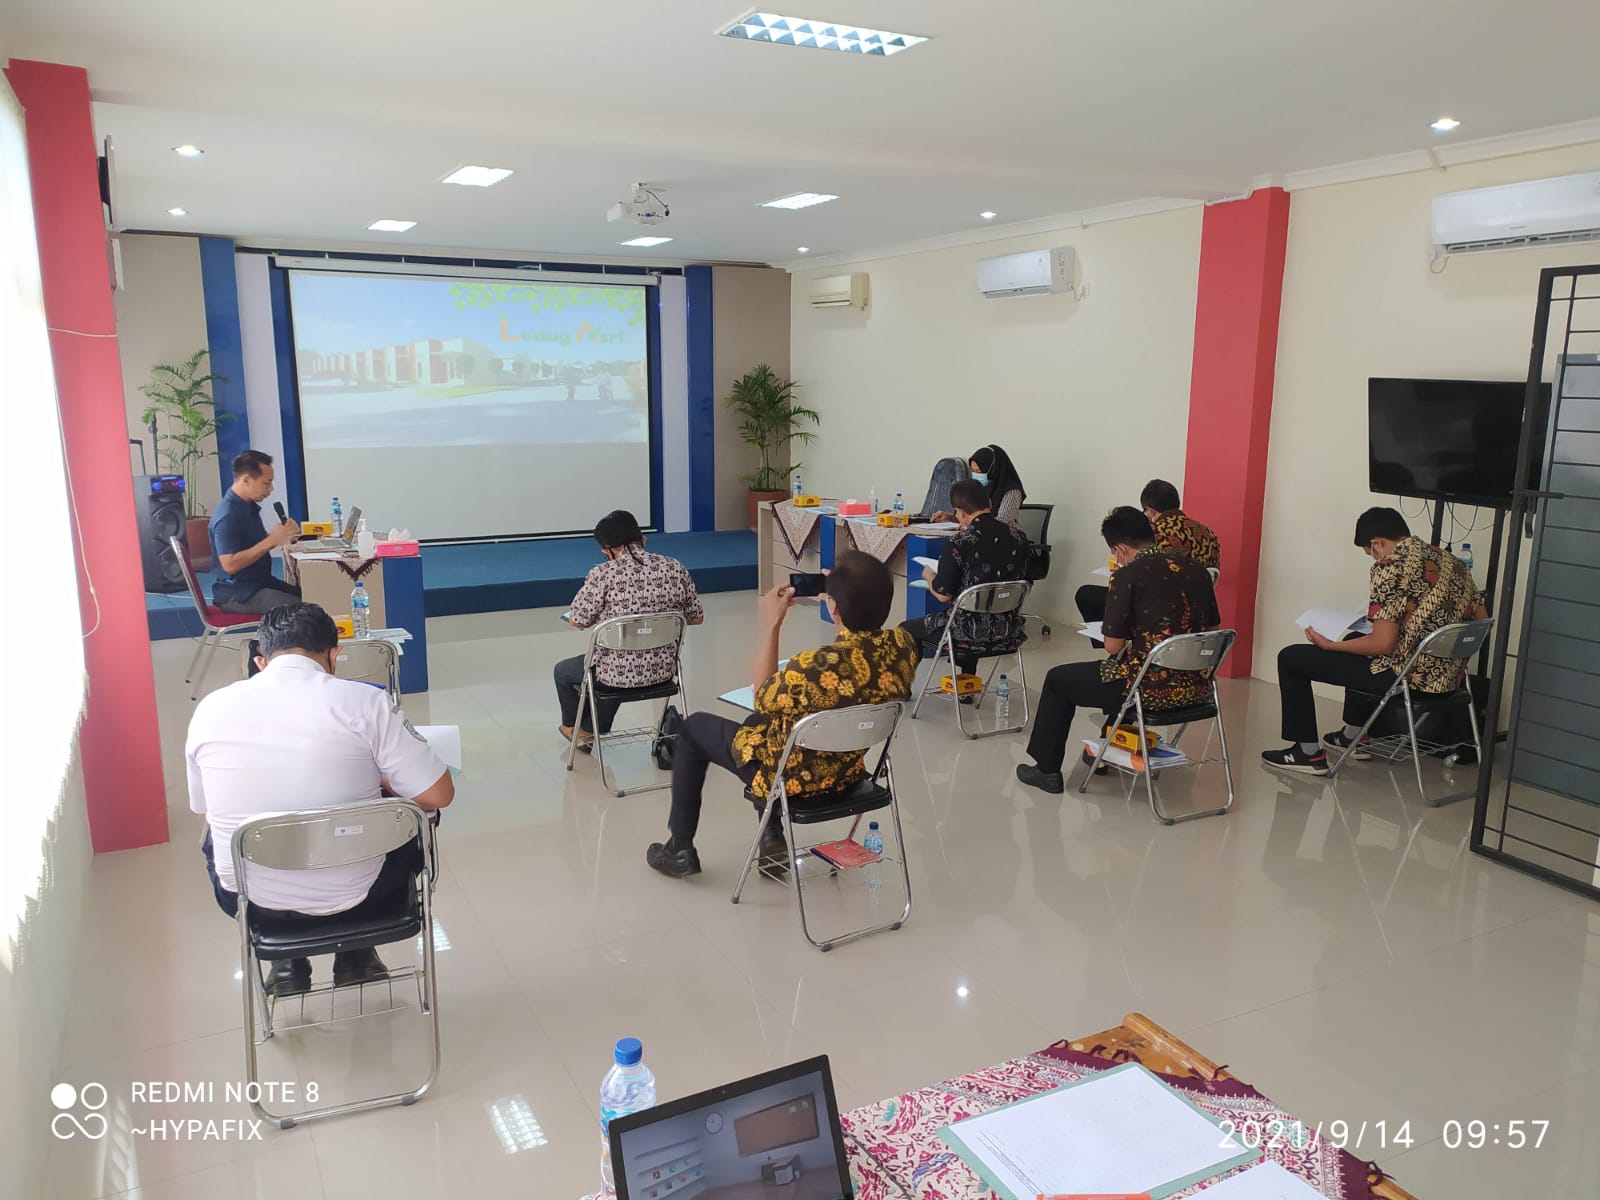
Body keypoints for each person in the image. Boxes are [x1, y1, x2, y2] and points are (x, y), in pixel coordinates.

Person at [187, 603, 454, 996]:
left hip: (252, 904)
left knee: (223, 828)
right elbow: (438, 794)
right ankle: (357, 954)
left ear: (262, 661)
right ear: (334, 654)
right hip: (368, 899)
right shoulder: (364, 703)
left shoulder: (210, 710)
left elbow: (205, 811)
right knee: (403, 815)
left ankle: (286, 962)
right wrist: (380, 776)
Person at [646, 551, 920, 878]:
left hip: (791, 783)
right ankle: (772, 835)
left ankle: (680, 848)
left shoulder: (810, 667)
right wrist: (843, 591)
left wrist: (772, 623)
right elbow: (860, 654)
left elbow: (761, 695)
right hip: (847, 775)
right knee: (758, 724)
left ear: (833, 606)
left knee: (693, 729)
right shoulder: (903, 648)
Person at [1262, 507, 1486, 775]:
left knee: (1291, 658)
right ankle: (1353, 736)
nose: (1372, 557)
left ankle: (1306, 753)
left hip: (1407, 679)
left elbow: (1383, 645)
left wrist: (1330, 645)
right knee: (1357, 639)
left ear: (1377, 543)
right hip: (1450, 679)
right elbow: (1481, 620)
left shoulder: (1390, 568)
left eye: (1369, 552)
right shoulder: (1452, 562)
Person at [1016, 507, 1220, 794]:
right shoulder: (1197, 570)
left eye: (1115, 553)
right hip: (1197, 691)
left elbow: (1113, 646)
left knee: (1058, 680)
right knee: (1123, 669)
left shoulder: (1127, 576)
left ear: (1121, 549)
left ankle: (1046, 770)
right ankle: (1105, 744)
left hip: (1147, 691)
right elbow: (1210, 632)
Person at [557, 510, 704, 747]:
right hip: (663, 672)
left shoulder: (602, 574)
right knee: (618, 660)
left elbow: (578, 620)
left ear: (609, 550)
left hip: (615, 675)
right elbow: (696, 618)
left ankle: (581, 729)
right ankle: (590, 727)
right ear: (643, 539)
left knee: (564, 672)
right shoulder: (675, 568)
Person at [900, 478, 1030, 684]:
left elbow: (943, 595)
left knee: (905, 628)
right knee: (976, 607)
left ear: (958, 512)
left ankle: (903, 687)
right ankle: (966, 683)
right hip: (1008, 632)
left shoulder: (959, 542)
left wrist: (930, 576)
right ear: (989, 503)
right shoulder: (1020, 538)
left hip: (964, 634)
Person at [1075, 478, 1221, 631]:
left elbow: (1142, 574)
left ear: (1150, 511)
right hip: (1200, 609)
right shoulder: (1209, 533)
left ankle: (1116, 640)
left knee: (1089, 595)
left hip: (1160, 607)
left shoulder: (1155, 532)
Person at [209, 449, 303, 614]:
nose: (271, 489)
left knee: (314, 596)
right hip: (238, 592)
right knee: (305, 609)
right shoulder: (228, 515)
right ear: (246, 480)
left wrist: (281, 535)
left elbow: (249, 544)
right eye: (266, 483)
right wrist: (271, 541)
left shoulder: (246, 506)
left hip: (258, 583)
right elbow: (229, 564)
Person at [930, 444, 1026, 525]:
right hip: (980, 536)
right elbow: (968, 517)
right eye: (973, 471)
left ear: (992, 471)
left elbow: (1002, 523)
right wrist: (949, 517)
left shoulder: (1012, 490)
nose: (976, 475)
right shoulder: (978, 488)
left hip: (1005, 541)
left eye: (979, 471)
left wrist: (972, 527)